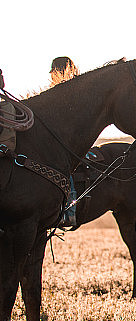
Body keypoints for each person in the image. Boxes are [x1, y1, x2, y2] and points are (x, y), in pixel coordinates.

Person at [49, 56, 80, 226]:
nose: (52, 75)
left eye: (54, 71)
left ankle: (69, 212)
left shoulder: (71, 94)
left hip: (67, 143)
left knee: (64, 169)